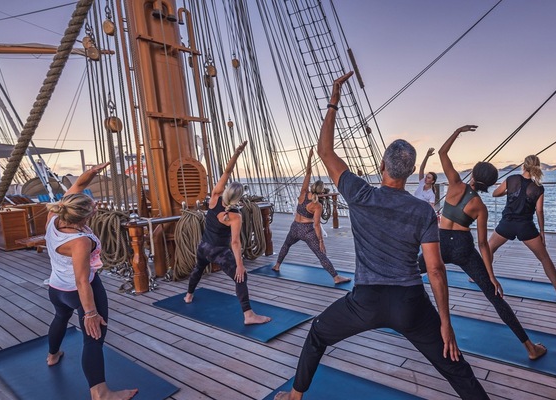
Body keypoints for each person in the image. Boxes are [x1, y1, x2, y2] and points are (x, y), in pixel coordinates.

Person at [273, 73, 489, 400]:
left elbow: (325, 151)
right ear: (409, 172)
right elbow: (434, 270)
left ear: (381, 166)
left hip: (366, 302)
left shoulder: (360, 193)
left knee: (317, 334)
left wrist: (334, 96)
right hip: (410, 304)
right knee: (455, 366)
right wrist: (446, 322)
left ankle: (293, 398)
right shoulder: (421, 211)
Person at [418, 125, 548, 361]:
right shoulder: (480, 206)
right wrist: (491, 276)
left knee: (408, 270)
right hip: (462, 247)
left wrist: (457, 131)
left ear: (474, 175)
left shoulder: (455, 183)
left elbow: (443, 154)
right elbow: (482, 244)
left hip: (438, 243)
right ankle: (530, 348)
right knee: (494, 297)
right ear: (489, 184)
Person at [45, 162, 138, 400]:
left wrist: (92, 173)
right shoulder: (80, 242)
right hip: (82, 291)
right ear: (85, 216)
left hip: (56, 288)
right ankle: (101, 393)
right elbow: (81, 280)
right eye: (93, 207)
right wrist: (90, 313)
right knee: (94, 337)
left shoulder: (55, 215)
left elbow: (78, 184)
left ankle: (53, 355)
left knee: (60, 317)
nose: (96, 207)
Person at [184, 142, 272, 325]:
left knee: (198, 269)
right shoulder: (235, 215)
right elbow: (235, 243)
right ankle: (249, 315)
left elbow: (227, 172)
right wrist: (240, 265)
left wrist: (236, 153)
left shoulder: (215, 197)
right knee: (241, 277)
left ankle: (188, 295)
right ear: (238, 198)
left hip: (203, 247)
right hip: (219, 251)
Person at [489, 155, 556, 298]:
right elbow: (539, 211)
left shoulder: (511, 179)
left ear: (523, 166)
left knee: (488, 249)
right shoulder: (538, 188)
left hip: (507, 224)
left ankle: (475, 277)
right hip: (525, 226)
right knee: (544, 258)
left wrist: (509, 191)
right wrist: (542, 232)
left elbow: (495, 194)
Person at [272, 147, 351, 284]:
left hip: (295, 227)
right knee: (321, 255)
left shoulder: (303, 193)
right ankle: (336, 277)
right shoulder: (317, 205)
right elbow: (316, 225)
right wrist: (321, 241)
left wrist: (309, 158)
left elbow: (308, 172)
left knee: (286, 245)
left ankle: (277, 265)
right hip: (307, 230)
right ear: (321, 192)